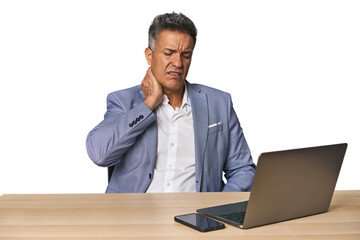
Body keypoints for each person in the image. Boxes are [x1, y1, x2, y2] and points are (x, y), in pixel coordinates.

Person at [86, 12, 256, 193]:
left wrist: (219, 208)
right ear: (149, 56)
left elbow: (243, 169)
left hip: (197, 217)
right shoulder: (123, 101)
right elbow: (99, 154)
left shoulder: (219, 103)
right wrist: (149, 104)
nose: (178, 63)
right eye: (169, 53)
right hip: (135, 216)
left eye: (186, 55)